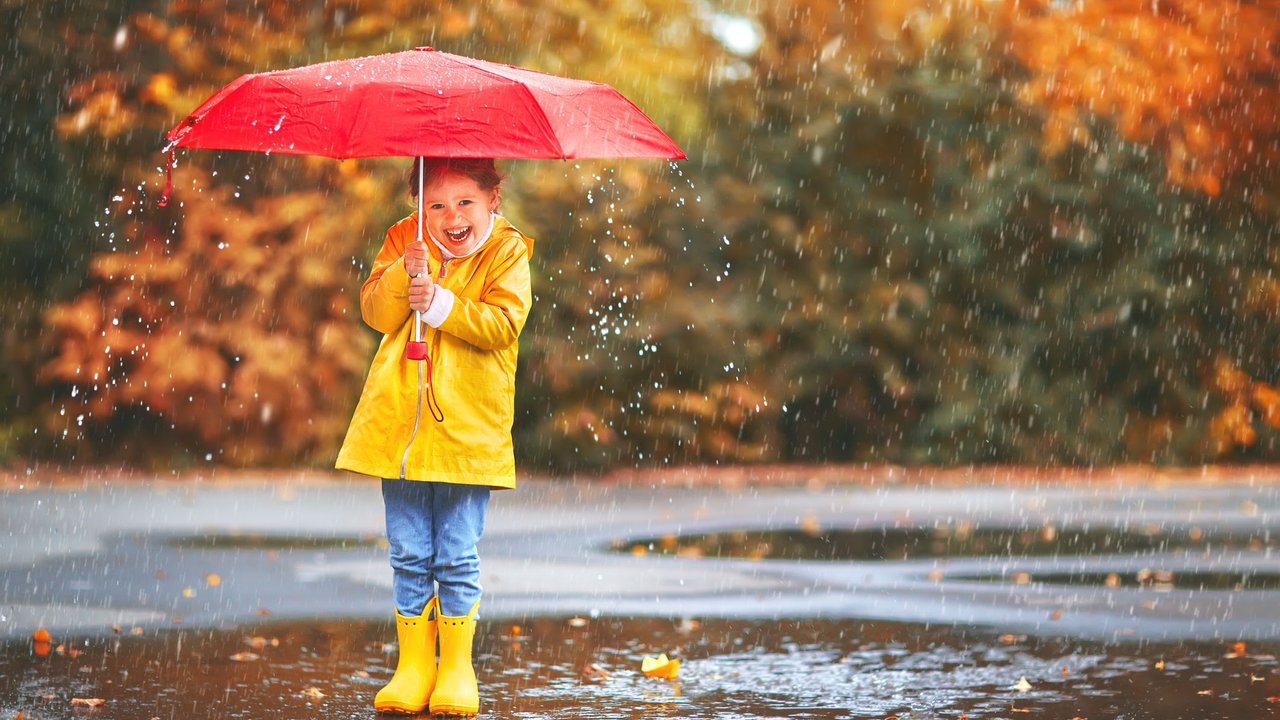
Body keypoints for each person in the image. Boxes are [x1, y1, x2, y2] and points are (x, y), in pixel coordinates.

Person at [336, 157, 533, 716]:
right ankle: (414, 666)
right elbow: (376, 312)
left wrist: (440, 304)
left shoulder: (507, 251)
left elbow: (503, 326)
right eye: (436, 205)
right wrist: (405, 272)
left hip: (466, 429)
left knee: (455, 554)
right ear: (419, 207)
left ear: (492, 198)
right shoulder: (405, 238)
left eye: (465, 202)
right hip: (401, 426)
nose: (451, 217)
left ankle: (456, 668)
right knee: (408, 552)